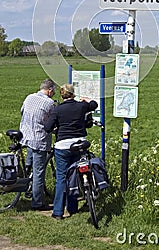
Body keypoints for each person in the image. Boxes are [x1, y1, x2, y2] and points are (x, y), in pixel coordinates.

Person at [44, 83, 98, 220]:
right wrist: (86, 100)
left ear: (62, 95)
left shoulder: (58, 110)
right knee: (75, 175)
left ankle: (58, 212)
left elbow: (48, 127)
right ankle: (72, 207)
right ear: (73, 94)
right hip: (79, 144)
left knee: (62, 177)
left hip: (62, 146)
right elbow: (94, 104)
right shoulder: (81, 106)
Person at [19, 78, 57, 210]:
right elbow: (52, 122)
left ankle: (26, 188)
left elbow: (22, 111)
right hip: (39, 140)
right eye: (53, 92)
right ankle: (37, 202)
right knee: (39, 172)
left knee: (29, 166)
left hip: (26, 136)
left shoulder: (29, 97)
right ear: (50, 90)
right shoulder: (49, 103)